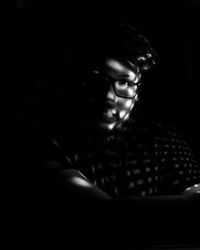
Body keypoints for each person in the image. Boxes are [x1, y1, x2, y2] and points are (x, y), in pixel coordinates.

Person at [3, 20, 200, 249]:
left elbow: (195, 192)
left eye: (124, 82)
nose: (108, 95)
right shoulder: (39, 136)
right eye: (97, 78)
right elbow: (98, 215)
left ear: (137, 91)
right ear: (76, 79)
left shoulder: (160, 137)